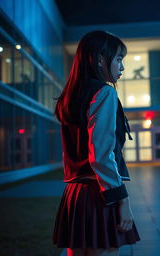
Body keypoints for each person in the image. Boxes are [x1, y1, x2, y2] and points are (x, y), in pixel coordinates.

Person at [52, 30, 141, 256]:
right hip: (98, 194)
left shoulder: (69, 96)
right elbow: (101, 155)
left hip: (74, 193)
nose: (122, 67)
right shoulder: (104, 93)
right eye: (119, 59)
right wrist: (122, 200)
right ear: (101, 58)